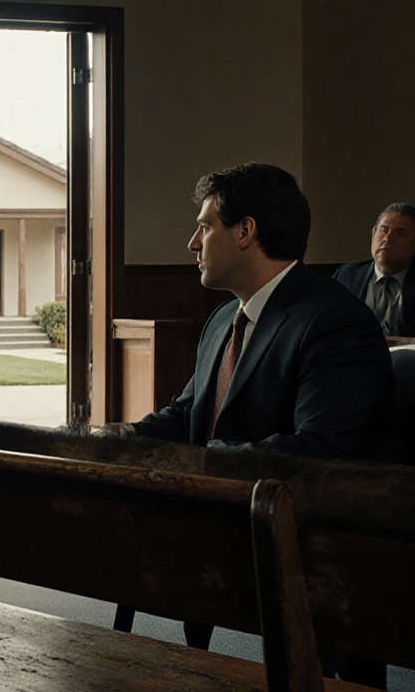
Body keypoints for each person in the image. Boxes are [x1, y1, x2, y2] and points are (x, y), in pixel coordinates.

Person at [96, 163, 396, 686]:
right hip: (231, 518)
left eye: (205, 226)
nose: (192, 242)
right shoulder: (222, 319)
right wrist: (122, 439)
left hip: (321, 545)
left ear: (245, 231)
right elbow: (188, 415)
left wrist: (206, 464)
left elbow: (318, 451)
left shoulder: (335, 321)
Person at [333, 202, 415, 338]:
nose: (387, 238)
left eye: (400, 233)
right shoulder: (347, 275)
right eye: (383, 230)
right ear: (373, 234)